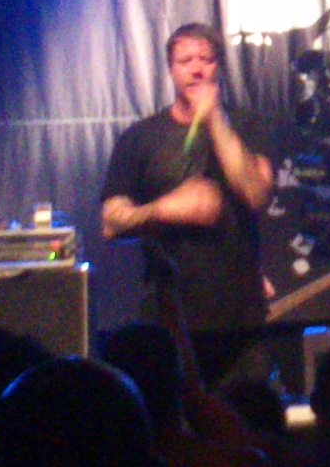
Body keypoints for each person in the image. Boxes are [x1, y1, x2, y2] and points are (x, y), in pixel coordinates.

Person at [101, 24, 273, 387]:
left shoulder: (248, 125)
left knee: (248, 410)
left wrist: (215, 119)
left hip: (241, 320)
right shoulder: (140, 137)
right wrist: (164, 209)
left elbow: (256, 195)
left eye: (206, 60)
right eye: (185, 61)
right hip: (169, 316)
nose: (196, 70)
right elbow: (111, 222)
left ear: (219, 66)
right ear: (171, 69)